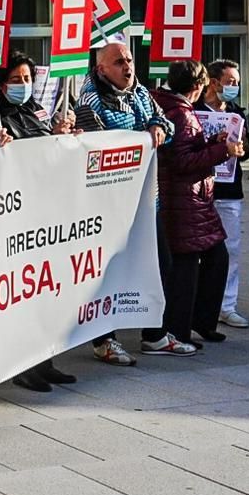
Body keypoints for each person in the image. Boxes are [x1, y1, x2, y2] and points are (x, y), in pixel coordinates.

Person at [0, 53, 80, 392]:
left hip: (43, 212)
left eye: (27, 78)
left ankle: (45, 359)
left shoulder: (35, 109)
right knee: (20, 294)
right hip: (12, 215)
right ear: (0, 83)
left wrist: (60, 135)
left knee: (45, 291)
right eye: (16, 80)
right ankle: (22, 365)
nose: (23, 85)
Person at [73, 42, 171, 367]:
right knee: (108, 274)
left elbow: (164, 122)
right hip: (109, 204)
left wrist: (157, 128)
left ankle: (154, 335)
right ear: (102, 69)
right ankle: (105, 340)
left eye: (129, 59)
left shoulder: (139, 91)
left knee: (160, 264)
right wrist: (140, 141)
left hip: (146, 201)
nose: (128, 67)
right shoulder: (90, 100)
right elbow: (99, 147)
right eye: (119, 62)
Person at [149, 60, 241, 356]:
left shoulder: (168, 106)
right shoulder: (181, 113)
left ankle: (196, 323)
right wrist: (221, 151)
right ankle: (176, 329)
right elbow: (182, 162)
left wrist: (211, 142)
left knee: (213, 258)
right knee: (186, 270)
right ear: (199, 86)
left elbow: (185, 151)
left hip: (188, 201)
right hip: (184, 201)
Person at [197, 60, 249, 324]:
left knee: (231, 247)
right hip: (199, 187)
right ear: (213, 82)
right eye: (230, 82)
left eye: (237, 82)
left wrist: (242, 148)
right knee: (196, 248)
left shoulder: (236, 113)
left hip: (229, 189)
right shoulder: (194, 111)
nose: (234, 87)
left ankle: (227, 305)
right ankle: (197, 304)